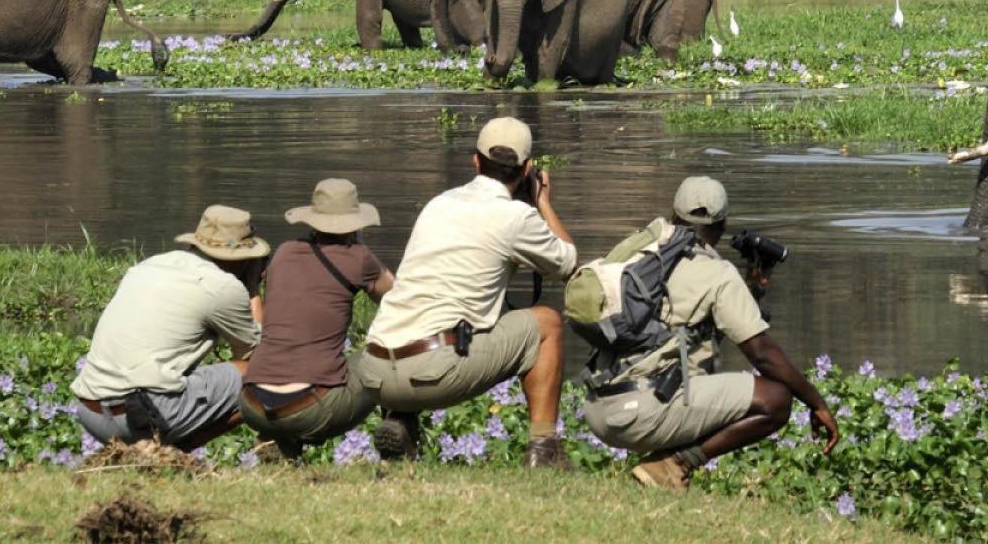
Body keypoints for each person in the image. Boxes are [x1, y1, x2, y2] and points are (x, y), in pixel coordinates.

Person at [581, 176, 840, 490]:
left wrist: (751, 292)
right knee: (775, 399)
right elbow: (762, 354)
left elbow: (682, 321)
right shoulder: (719, 274)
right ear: (722, 225)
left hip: (596, 408)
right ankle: (674, 465)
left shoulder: (641, 251)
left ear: (673, 215)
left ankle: (660, 464)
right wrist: (816, 402)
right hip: (639, 415)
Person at [357, 116, 577, 467]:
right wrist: (544, 203)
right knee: (547, 323)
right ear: (527, 170)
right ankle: (544, 450)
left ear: (475, 161)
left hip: (374, 370)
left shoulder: (438, 204)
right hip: (432, 372)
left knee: (424, 312)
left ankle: (402, 424)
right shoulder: (518, 217)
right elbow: (569, 266)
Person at [71, 204, 269, 450]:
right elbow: (258, 356)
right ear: (243, 258)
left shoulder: (149, 264)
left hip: (90, 414)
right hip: (139, 419)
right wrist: (252, 286)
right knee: (263, 375)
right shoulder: (223, 286)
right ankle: (170, 453)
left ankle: (157, 453)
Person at [237, 178, 396, 459]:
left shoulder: (284, 252)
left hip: (253, 403)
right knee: (389, 355)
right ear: (355, 223)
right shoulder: (359, 257)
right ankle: (400, 426)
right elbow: (394, 296)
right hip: (311, 407)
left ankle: (278, 442)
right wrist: (360, 249)